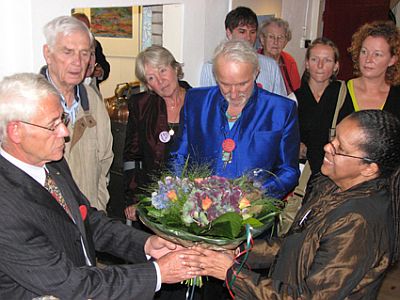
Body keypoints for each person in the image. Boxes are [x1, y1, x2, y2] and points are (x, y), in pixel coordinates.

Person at [0, 72, 202, 299]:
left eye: (62, 119)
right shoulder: (6, 207)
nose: (64, 133)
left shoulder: (52, 163)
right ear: (15, 131)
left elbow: (87, 221)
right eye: (52, 125)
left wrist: (146, 244)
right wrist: (158, 273)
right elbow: (70, 284)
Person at [184, 109, 400, 299]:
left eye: (339, 148)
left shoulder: (358, 222)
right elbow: (296, 247)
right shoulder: (330, 185)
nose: (327, 147)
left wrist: (232, 273)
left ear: (369, 168)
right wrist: (237, 251)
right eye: (333, 138)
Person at [171, 39, 300, 200]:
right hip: (199, 208)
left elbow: (289, 171)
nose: (233, 93)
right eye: (225, 84)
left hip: (254, 214)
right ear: (216, 77)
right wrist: (179, 194)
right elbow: (179, 155)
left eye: (242, 84)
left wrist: (261, 194)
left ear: (256, 73)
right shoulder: (196, 101)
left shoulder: (281, 110)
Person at [41, 16, 113, 212]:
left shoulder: (93, 101)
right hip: (50, 225)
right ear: (48, 53)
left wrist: (97, 209)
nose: (78, 62)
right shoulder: (32, 103)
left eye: (85, 53)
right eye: (68, 52)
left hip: (91, 222)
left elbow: (105, 161)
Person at [123, 45, 191, 221]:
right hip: (153, 201)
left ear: (175, 68)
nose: (160, 81)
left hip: (192, 201)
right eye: (152, 77)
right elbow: (132, 157)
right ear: (148, 85)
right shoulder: (141, 105)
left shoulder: (200, 102)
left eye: (163, 70)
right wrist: (135, 199)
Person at [296, 37, 353, 175]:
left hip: (336, 171)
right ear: (307, 63)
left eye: (327, 60)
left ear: (335, 66)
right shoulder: (293, 99)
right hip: (302, 172)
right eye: (315, 59)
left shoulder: (345, 95)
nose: (320, 65)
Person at [199, 6, 286, 96]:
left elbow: (281, 104)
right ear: (229, 33)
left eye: (252, 32)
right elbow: (205, 104)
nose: (248, 38)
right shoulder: (210, 67)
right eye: (242, 32)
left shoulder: (271, 66)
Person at [345, 20, 400, 120]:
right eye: (364, 52)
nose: (368, 59)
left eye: (377, 54)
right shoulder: (336, 92)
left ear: (392, 60)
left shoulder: (397, 97)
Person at [258, 17, 301, 95]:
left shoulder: (290, 61)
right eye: (271, 37)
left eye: (280, 37)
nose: (276, 42)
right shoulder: (253, 61)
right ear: (262, 39)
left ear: (285, 41)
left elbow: (297, 93)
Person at [72, 12, 111, 89]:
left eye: (88, 29)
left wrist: (100, 72)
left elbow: (105, 66)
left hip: (92, 90)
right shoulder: (67, 49)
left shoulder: (95, 44)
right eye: (83, 29)